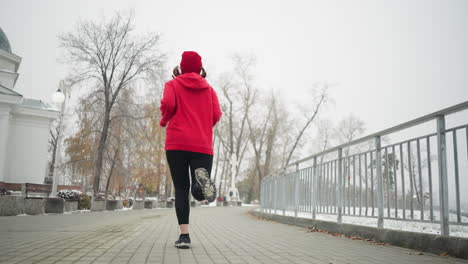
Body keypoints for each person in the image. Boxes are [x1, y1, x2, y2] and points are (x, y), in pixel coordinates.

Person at [159, 51, 222, 249]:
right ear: (199, 68)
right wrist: (202, 126)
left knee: (181, 189)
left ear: (182, 66)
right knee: (197, 187)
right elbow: (217, 114)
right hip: (202, 144)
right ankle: (199, 189)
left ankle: (184, 236)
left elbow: (168, 104)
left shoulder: (172, 85)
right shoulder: (210, 90)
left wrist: (164, 120)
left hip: (177, 143)